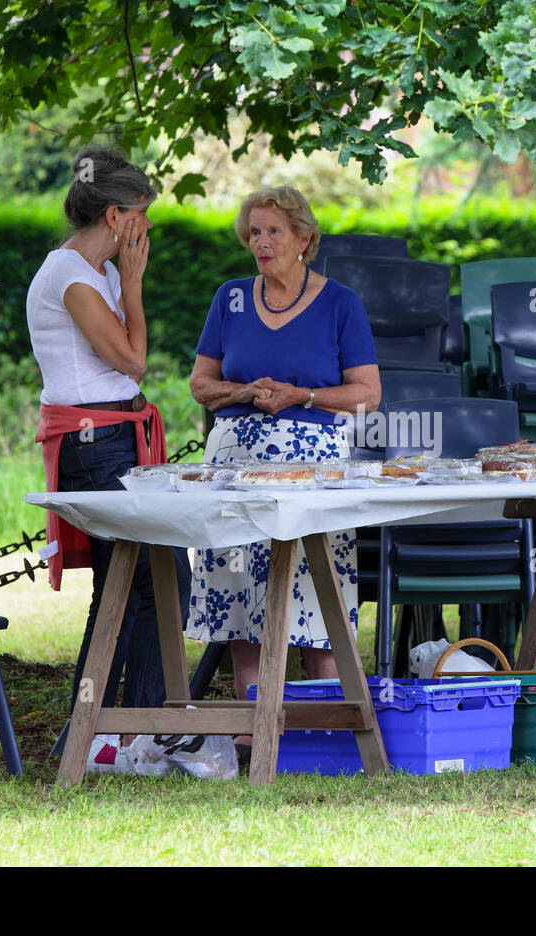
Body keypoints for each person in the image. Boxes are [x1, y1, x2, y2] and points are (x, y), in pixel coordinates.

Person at [186, 186, 380, 749]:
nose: (261, 242)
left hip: (309, 461)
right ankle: (253, 726)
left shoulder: (340, 303)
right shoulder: (231, 299)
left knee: (313, 584)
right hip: (234, 460)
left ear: (304, 240)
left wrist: (303, 396)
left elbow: (368, 394)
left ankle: (326, 724)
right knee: (241, 583)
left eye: (273, 231)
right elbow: (201, 384)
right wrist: (240, 390)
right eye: (253, 232)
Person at [26, 145, 192, 770]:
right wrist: (135, 285)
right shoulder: (72, 276)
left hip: (116, 442)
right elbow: (132, 359)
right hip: (96, 448)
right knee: (129, 585)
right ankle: (102, 732)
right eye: (143, 214)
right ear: (118, 216)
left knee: (150, 580)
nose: (147, 227)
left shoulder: (88, 274)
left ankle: (126, 730)